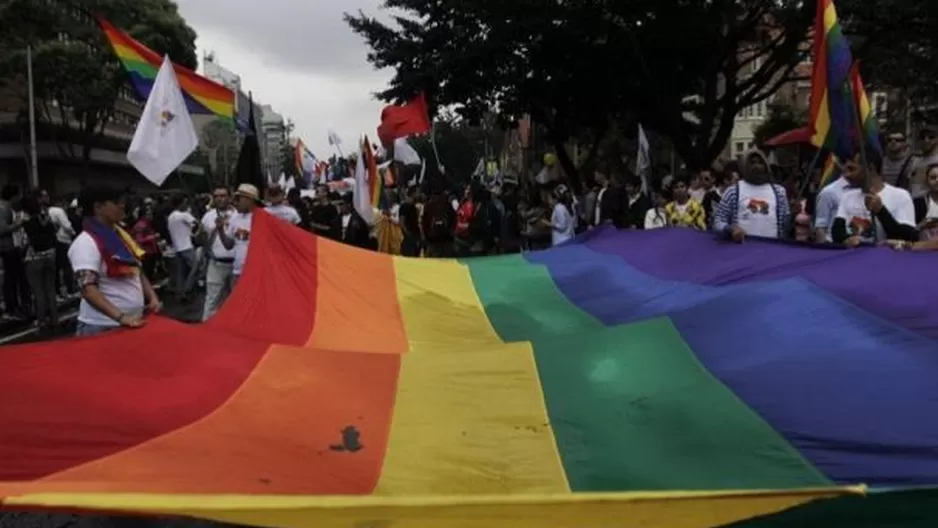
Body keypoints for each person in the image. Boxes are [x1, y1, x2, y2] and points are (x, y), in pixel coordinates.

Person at [68, 186, 161, 337]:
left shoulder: (122, 237)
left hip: (131, 321)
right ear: (98, 207)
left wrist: (152, 297)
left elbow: (136, 270)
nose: (122, 206)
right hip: (103, 326)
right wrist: (121, 317)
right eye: (116, 202)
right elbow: (87, 289)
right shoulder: (86, 242)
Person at [832, 153, 917, 247]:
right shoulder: (847, 196)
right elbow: (836, 232)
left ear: (870, 168)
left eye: (852, 169)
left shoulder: (900, 196)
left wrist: (881, 211)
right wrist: (846, 239)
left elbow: (908, 237)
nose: (847, 175)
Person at [713, 148, 790, 242]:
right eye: (752, 163)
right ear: (744, 166)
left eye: (760, 162)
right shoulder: (733, 191)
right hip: (741, 251)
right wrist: (731, 229)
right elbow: (718, 221)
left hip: (772, 250)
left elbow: (786, 225)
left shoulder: (779, 192)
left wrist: (794, 214)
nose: (757, 166)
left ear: (766, 166)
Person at [21, 192, 59, 334]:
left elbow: (22, 242)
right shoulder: (46, 219)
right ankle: (55, 319)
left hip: (34, 258)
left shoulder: (25, 223)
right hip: (50, 256)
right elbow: (55, 231)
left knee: (38, 292)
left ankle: (41, 321)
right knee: (50, 289)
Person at [217, 184, 261, 288]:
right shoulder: (235, 218)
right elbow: (229, 245)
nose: (235, 201)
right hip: (237, 272)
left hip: (256, 272)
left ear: (249, 200)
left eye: (239, 198)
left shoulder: (261, 218)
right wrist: (220, 230)